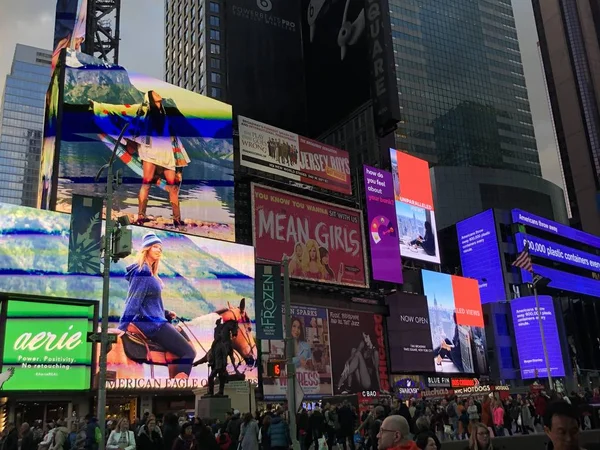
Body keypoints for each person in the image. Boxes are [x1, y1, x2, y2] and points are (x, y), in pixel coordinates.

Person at [90, 90, 191, 227]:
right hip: (150, 151)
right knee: (147, 183)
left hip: (167, 155)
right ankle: (141, 216)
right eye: (154, 92)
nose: (158, 93)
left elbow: (174, 139)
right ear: (149, 97)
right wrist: (98, 106)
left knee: (173, 188)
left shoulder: (166, 114)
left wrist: (179, 166)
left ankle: (177, 219)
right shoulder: (144, 110)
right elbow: (120, 110)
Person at [118, 233, 196, 378]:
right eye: (155, 246)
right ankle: (179, 387)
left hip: (156, 319)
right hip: (153, 325)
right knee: (189, 352)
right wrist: (122, 327)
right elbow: (133, 302)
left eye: (160, 247)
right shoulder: (143, 272)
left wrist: (165, 313)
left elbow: (148, 303)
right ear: (146, 249)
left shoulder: (149, 273)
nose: (159, 250)